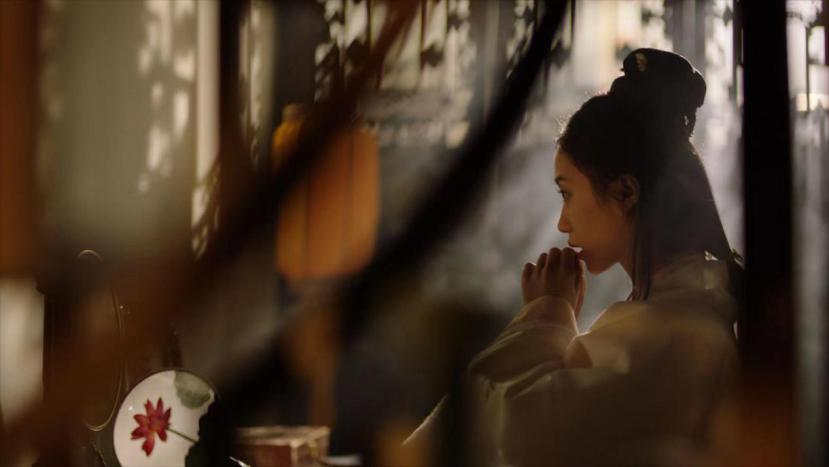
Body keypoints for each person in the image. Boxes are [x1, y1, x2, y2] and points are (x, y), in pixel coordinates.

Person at [404, 48, 742, 466]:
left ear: (625, 192)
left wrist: (546, 315)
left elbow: (509, 436)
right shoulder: (683, 311)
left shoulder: (671, 335)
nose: (563, 223)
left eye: (567, 193)